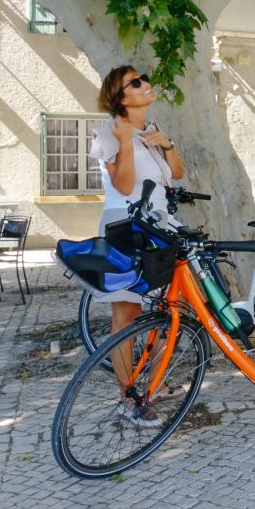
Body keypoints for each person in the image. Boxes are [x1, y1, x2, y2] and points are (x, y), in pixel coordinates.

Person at [89, 65, 184, 427]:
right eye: (136, 82)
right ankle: (128, 396)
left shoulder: (153, 128)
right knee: (126, 313)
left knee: (168, 305)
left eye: (143, 77)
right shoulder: (109, 133)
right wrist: (127, 141)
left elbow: (176, 174)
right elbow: (125, 186)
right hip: (127, 223)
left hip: (159, 222)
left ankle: (153, 385)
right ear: (121, 97)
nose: (145, 84)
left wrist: (167, 144)